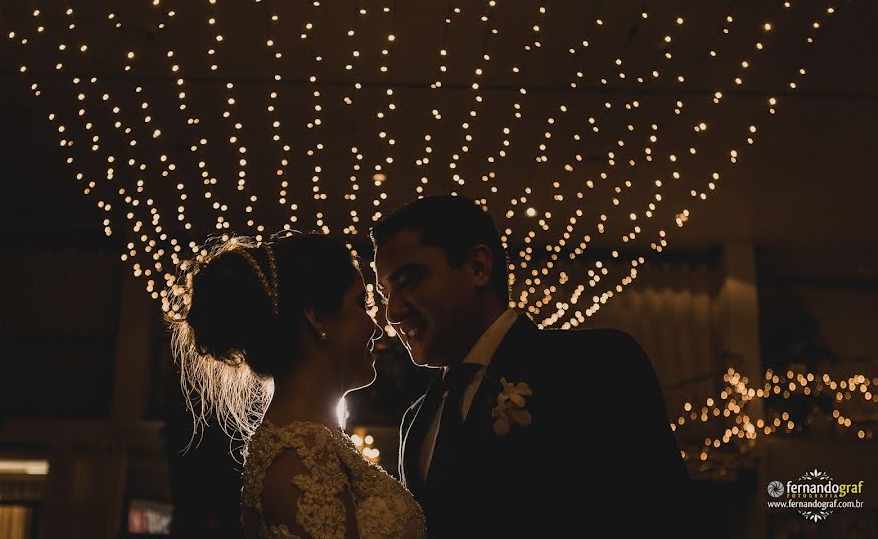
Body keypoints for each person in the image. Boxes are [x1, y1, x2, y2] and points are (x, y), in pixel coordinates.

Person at [371, 195, 689, 537]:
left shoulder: (597, 364)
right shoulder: (415, 421)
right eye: (386, 294)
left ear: (478, 267)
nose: (393, 313)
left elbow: (664, 515)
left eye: (408, 283)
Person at [168, 232, 426, 538]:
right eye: (361, 304)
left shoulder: (313, 442)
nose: (376, 327)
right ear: (316, 317)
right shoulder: (295, 460)